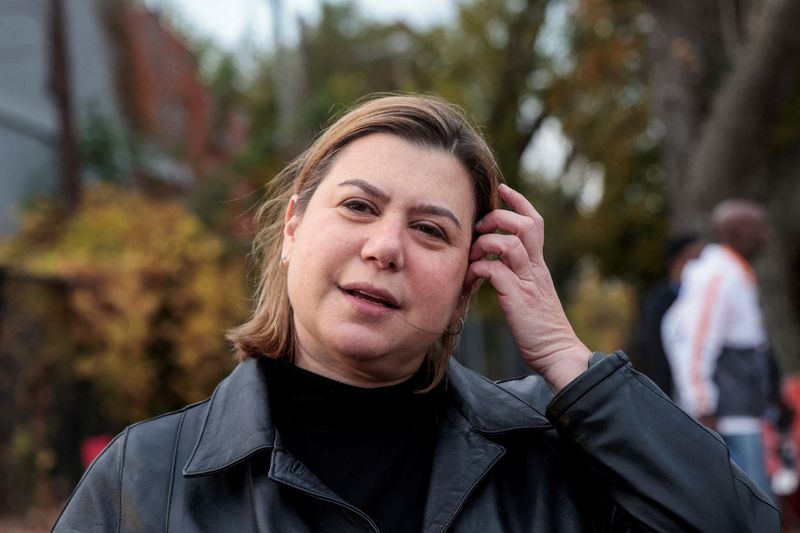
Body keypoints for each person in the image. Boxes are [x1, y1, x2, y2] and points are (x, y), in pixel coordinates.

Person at [53, 95, 778, 532]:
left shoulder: (553, 454)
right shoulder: (146, 477)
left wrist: (566, 356)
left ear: (470, 281)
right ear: (295, 228)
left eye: (431, 229)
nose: (385, 247)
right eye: (359, 206)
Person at [662, 199, 775, 495]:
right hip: (726, 415)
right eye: (758, 228)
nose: (767, 236)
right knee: (748, 502)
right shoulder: (719, 276)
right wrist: (701, 403)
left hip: (744, 411)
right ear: (736, 232)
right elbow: (696, 342)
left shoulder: (735, 272)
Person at [636, 233, 703, 397]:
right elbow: (654, 352)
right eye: (694, 258)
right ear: (675, 261)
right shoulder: (657, 303)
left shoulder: (705, 298)